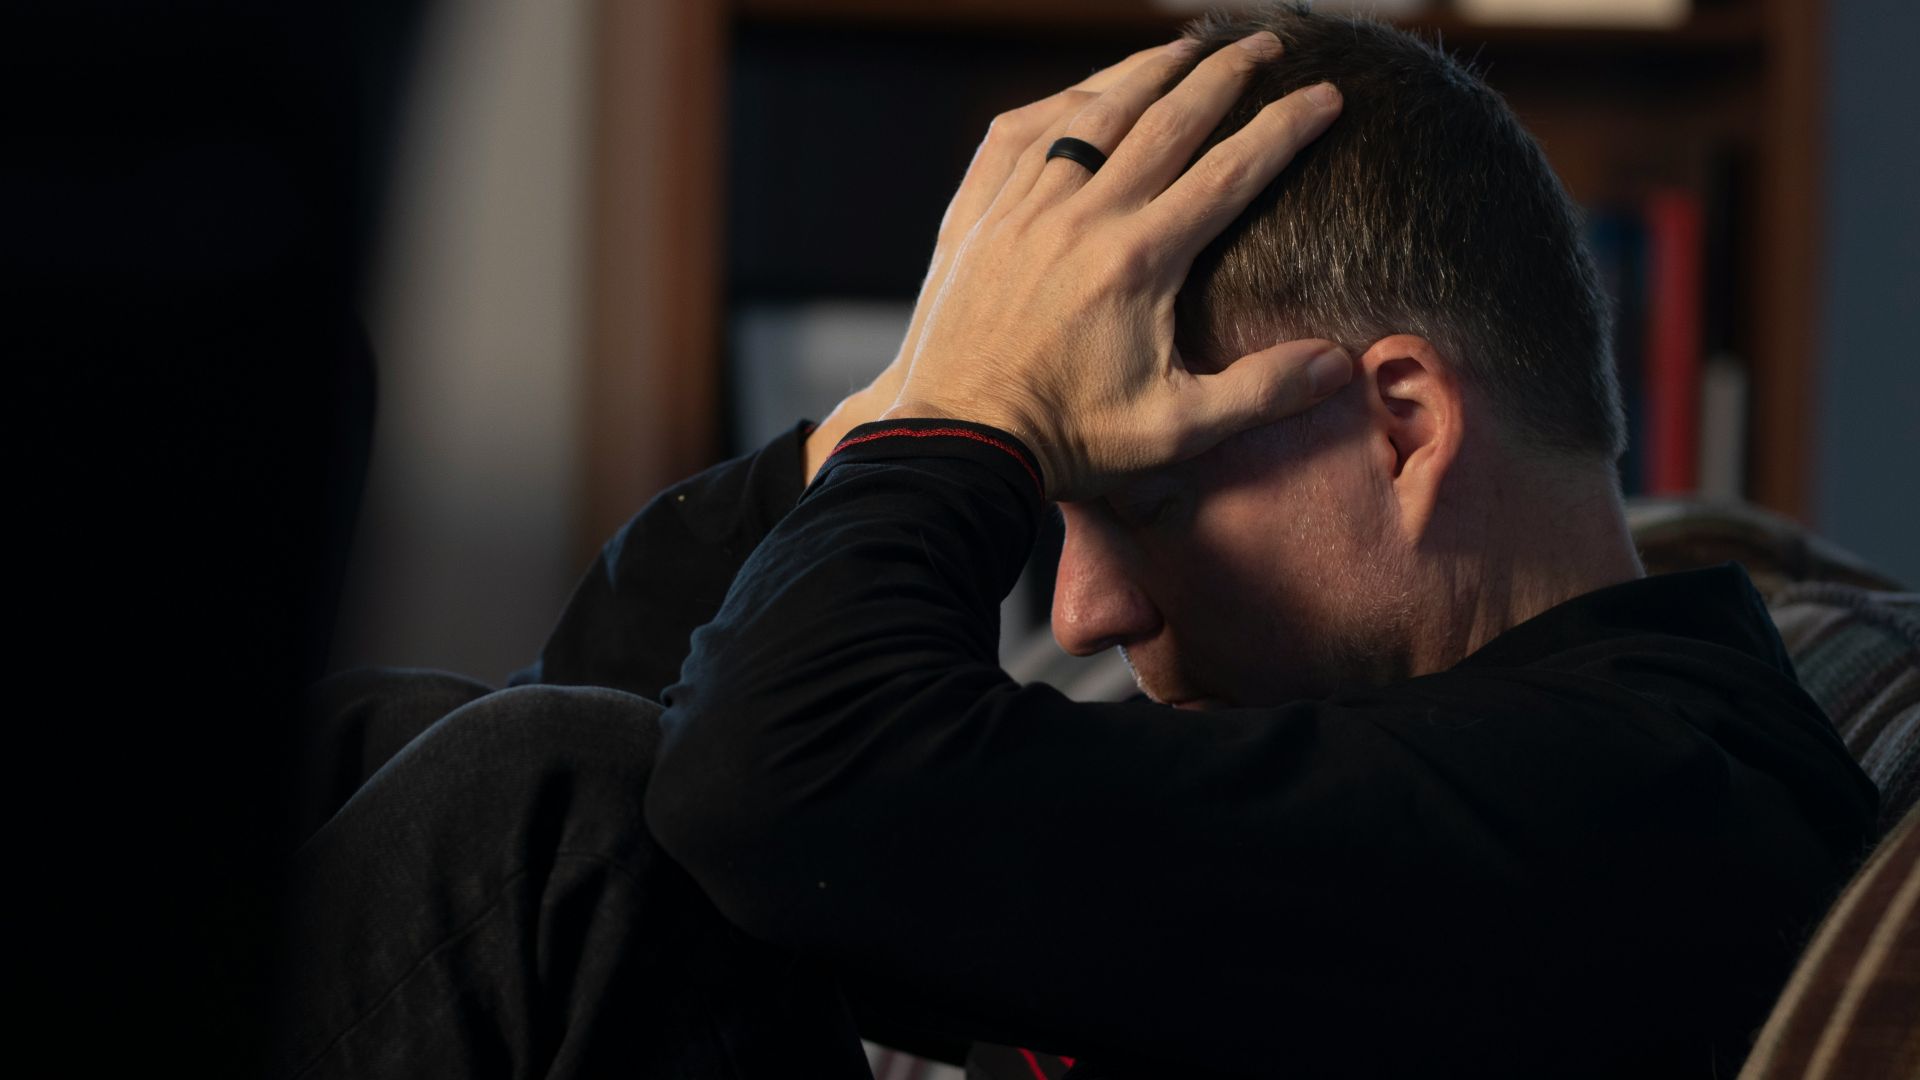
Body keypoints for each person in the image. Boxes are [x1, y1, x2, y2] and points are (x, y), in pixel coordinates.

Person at [274, 5, 1880, 1078]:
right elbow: (642, 715)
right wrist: (918, 395)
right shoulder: (1437, 765)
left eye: (1135, 499)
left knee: (534, 807)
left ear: (1397, 424)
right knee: (384, 741)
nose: (1092, 612)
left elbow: (754, 784)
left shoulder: (1625, 806)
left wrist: (964, 428)